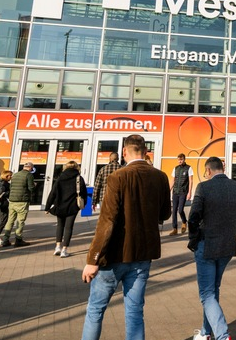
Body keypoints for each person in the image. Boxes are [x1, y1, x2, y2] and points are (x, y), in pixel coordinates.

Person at [81, 135, 170, 340]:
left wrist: (92, 259)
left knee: (95, 309)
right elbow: (165, 214)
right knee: (135, 311)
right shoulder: (161, 177)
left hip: (114, 256)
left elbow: (107, 221)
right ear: (146, 152)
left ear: (124, 152)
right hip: (142, 254)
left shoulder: (117, 177)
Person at [187, 156, 236, 340]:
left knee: (206, 293)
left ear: (209, 170)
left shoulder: (204, 187)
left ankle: (222, 335)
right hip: (227, 246)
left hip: (207, 244)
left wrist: (193, 239)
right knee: (213, 289)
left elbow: (194, 216)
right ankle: (206, 332)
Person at [47, 160, 84, 257]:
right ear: (77, 167)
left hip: (60, 205)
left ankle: (57, 246)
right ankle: (64, 249)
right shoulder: (79, 178)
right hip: (73, 206)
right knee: (69, 227)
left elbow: (53, 193)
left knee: (60, 226)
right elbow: (83, 193)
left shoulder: (60, 178)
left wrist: (47, 206)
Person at [0, 161, 35, 247]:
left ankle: (5, 240)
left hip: (12, 200)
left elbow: (11, 187)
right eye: (32, 168)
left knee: (10, 220)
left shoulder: (15, 175)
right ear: (30, 168)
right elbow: (31, 188)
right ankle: (18, 239)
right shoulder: (29, 175)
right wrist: (34, 185)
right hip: (22, 200)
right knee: (20, 221)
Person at [170, 153, 193, 236]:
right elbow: (173, 180)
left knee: (180, 210)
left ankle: (184, 222)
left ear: (184, 159)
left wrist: (189, 192)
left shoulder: (188, 168)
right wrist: (168, 190)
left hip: (183, 192)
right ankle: (175, 228)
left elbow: (190, 181)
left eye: (181, 159)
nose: (180, 161)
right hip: (175, 192)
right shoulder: (175, 169)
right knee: (174, 210)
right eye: (179, 160)